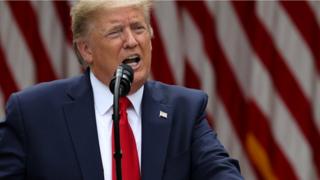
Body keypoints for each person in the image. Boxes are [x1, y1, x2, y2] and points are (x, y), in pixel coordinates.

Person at [0, 0, 243, 179]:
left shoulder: (185, 110)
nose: (131, 41)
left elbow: (221, 174)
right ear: (86, 49)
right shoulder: (33, 113)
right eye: (116, 32)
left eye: (138, 28)